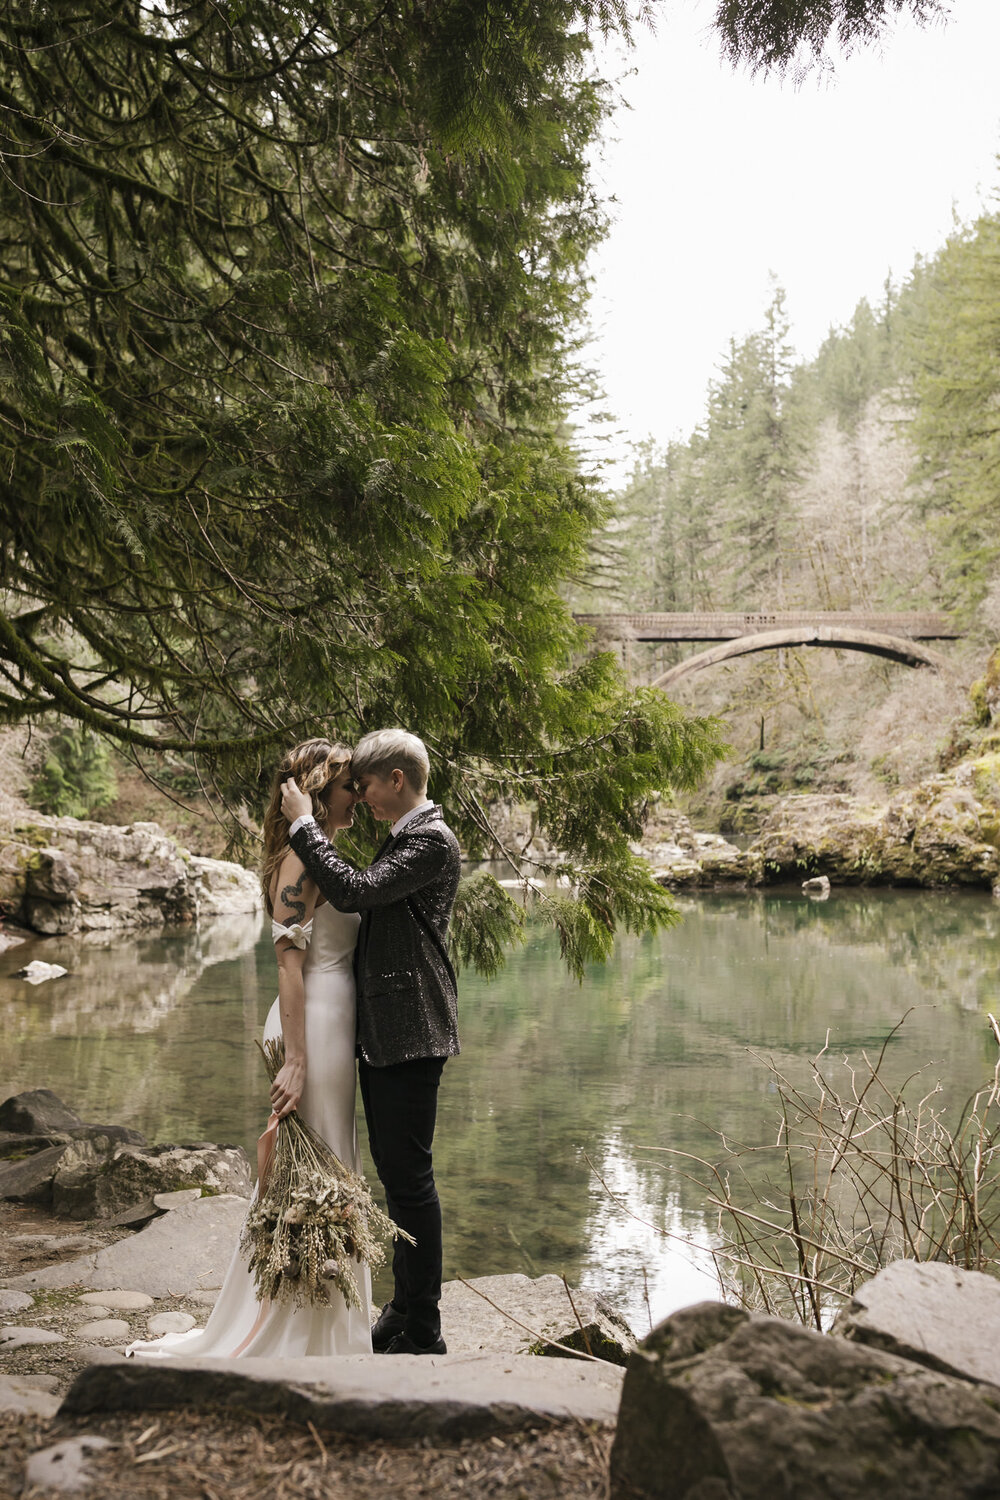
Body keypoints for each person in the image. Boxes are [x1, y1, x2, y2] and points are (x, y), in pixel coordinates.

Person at [126, 738, 372, 1360]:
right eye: (349, 787)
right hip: (309, 1026)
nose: (359, 797)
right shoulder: (299, 862)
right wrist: (294, 1058)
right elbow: (288, 967)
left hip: (331, 1022)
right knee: (311, 1175)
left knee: (326, 1169)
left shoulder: (320, 852)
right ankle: (293, 1331)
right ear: (320, 792)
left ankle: (325, 1322)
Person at [280, 727, 460, 1356]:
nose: (361, 798)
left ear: (397, 781)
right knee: (395, 1176)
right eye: (349, 789)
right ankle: (402, 1308)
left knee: (409, 1181)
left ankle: (424, 1327)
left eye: (366, 786)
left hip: (412, 1031)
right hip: (386, 1033)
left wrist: (304, 826)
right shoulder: (404, 837)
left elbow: (354, 891)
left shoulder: (430, 841)